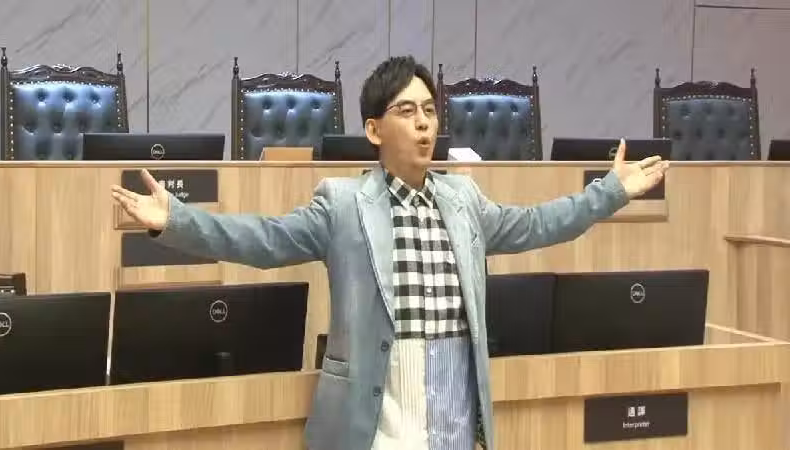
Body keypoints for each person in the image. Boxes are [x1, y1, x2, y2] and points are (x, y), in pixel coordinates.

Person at [111, 56, 668, 450]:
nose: (424, 124)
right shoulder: (343, 203)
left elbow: (540, 224)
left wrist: (610, 192)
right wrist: (176, 221)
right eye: (407, 111)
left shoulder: (464, 200)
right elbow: (263, 240)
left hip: (454, 411)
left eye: (429, 110)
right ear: (375, 130)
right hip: (377, 418)